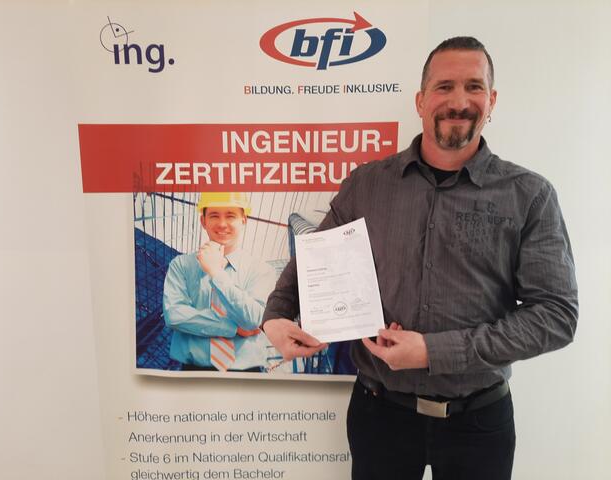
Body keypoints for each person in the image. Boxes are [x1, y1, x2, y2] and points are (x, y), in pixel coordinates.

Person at [262, 36, 577, 479]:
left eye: (474, 87)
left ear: (492, 101)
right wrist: (276, 317)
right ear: (420, 100)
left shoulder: (529, 195)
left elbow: (556, 316)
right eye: (444, 86)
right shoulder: (367, 184)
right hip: (380, 416)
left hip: (479, 423)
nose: (459, 101)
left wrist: (433, 351)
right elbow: (312, 263)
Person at [163, 192, 276, 372]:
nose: (222, 224)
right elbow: (174, 315)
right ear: (203, 221)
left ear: (243, 220)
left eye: (230, 216)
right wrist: (231, 328)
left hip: (248, 375)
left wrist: (216, 273)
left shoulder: (261, 270)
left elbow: (255, 320)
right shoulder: (181, 265)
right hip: (193, 372)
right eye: (214, 215)